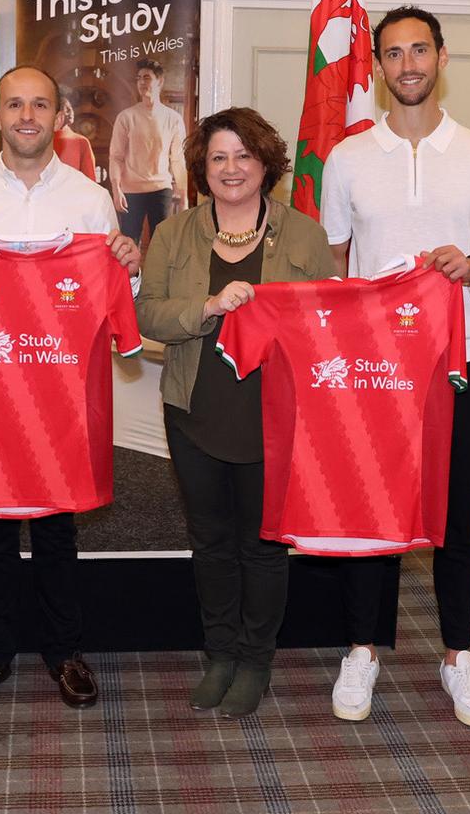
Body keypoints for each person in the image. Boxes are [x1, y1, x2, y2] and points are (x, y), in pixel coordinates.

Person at [0, 65, 140, 711]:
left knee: (59, 528)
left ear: (57, 116)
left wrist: (129, 268)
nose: (28, 116)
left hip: (62, 400)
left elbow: (114, 298)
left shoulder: (91, 200)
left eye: (39, 104)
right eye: (15, 105)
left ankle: (65, 651)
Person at [136, 107, 335, 717]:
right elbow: (147, 315)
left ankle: (255, 660)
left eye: (243, 156)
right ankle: (219, 654)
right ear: (202, 168)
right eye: (218, 157)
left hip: (275, 414)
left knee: (264, 545)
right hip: (195, 409)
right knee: (211, 543)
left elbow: (326, 321)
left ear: (265, 163)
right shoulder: (175, 233)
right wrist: (208, 305)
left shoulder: (304, 234)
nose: (231, 168)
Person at [321, 6, 470, 727]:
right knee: (370, 513)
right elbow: (332, 264)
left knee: (455, 517)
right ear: (378, 67)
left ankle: (458, 656)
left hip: (467, 358)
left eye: (420, 50)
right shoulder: (348, 159)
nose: (408, 64)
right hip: (375, 370)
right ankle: (363, 650)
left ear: (443, 58)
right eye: (393, 54)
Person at [109, 58, 187, 244]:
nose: (142, 82)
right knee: (129, 244)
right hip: (131, 190)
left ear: (159, 81)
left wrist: (183, 196)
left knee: (161, 244)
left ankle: (155, 275)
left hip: (160, 189)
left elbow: (177, 159)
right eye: (138, 78)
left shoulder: (173, 119)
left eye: (147, 77)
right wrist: (116, 189)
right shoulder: (126, 117)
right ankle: (132, 276)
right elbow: (116, 156)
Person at [52, 94, 97, 181]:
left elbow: (89, 180)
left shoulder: (81, 142)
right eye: (67, 109)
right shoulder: (81, 141)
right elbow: (90, 179)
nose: (71, 112)